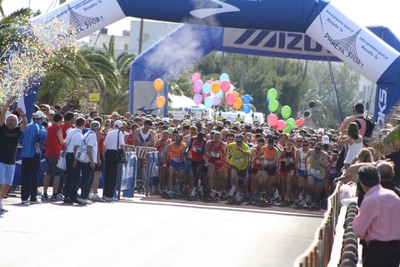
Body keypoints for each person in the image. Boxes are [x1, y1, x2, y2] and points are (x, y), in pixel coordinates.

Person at [353, 165, 400, 267]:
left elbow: (358, 230)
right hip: (396, 248)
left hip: (378, 248)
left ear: (361, 183)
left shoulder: (370, 200)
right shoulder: (393, 196)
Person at [0, 96, 27, 212]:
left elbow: (25, 124)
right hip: (0, 160)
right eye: (9, 119)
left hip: (11, 161)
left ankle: (0, 201)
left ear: (16, 122)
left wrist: (23, 115)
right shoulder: (2, 128)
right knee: (0, 182)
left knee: (8, 183)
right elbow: (2, 116)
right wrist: (7, 103)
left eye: (13, 120)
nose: (10, 121)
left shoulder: (17, 131)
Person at [20, 111, 47, 204]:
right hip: (34, 153)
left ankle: (24, 197)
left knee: (25, 176)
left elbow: (21, 138)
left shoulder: (27, 126)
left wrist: (25, 144)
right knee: (34, 176)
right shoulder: (40, 127)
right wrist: (40, 143)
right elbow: (43, 135)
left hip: (25, 153)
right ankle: (33, 198)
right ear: (41, 118)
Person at [42, 113, 65, 202]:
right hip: (55, 154)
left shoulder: (49, 128)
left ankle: (44, 193)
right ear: (60, 120)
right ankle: (54, 194)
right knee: (57, 175)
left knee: (48, 174)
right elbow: (61, 141)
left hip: (48, 153)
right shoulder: (58, 129)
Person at [76, 121, 100, 204]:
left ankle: (83, 195)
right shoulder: (93, 135)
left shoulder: (86, 134)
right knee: (88, 179)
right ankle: (84, 197)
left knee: (85, 178)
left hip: (84, 159)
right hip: (88, 160)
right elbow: (89, 148)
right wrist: (92, 161)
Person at [63, 117, 85, 204]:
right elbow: (76, 147)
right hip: (73, 155)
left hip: (68, 153)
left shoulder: (71, 131)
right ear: (83, 124)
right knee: (74, 177)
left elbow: (65, 142)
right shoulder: (79, 134)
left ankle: (67, 195)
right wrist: (76, 160)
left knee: (68, 176)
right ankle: (73, 195)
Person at [104, 120, 126, 201]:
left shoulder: (109, 133)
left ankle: (105, 193)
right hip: (114, 154)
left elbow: (105, 144)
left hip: (108, 153)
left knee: (107, 174)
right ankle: (109, 195)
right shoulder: (119, 133)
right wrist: (125, 155)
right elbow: (122, 145)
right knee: (112, 175)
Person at [226, 134, 252, 202]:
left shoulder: (245, 146)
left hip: (243, 166)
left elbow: (250, 154)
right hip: (234, 164)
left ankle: (238, 194)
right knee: (233, 176)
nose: (238, 143)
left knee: (241, 183)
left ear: (242, 141)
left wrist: (242, 150)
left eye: (240, 142)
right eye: (237, 142)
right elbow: (225, 147)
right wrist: (226, 155)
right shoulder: (232, 145)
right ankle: (233, 187)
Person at [205, 131, 226, 200]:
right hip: (212, 161)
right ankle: (211, 190)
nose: (216, 139)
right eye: (215, 137)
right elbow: (205, 152)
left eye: (218, 138)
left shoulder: (223, 145)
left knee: (219, 178)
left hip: (219, 162)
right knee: (211, 175)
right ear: (213, 137)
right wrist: (207, 155)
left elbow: (226, 156)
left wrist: (221, 160)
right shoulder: (210, 143)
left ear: (220, 138)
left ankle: (217, 191)